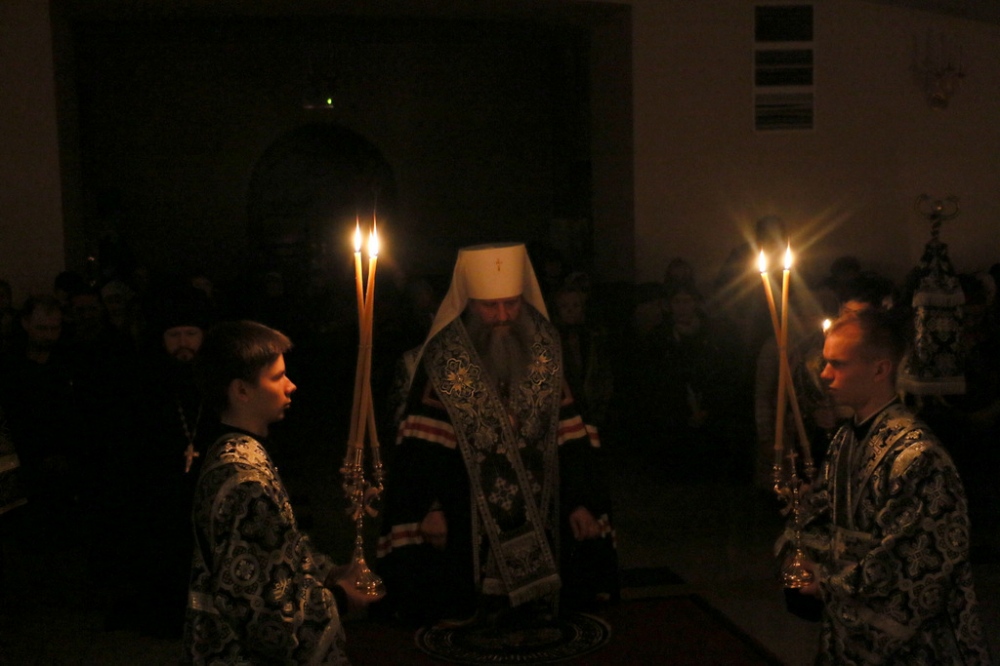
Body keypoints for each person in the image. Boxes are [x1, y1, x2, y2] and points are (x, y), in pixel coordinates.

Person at [376, 243, 616, 627]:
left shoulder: (547, 348)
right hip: (466, 514)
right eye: (490, 306)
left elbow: (572, 434)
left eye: (511, 304)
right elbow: (422, 447)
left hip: (545, 510)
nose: (502, 316)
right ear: (470, 303)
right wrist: (431, 508)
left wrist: (580, 502)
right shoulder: (445, 357)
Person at [780, 309, 992, 664]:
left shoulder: (918, 457)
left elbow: (912, 568)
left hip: (911, 648)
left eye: (838, 364)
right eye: (825, 362)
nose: (825, 374)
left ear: (880, 370)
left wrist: (828, 585)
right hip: (843, 635)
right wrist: (802, 559)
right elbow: (821, 515)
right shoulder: (844, 439)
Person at [183, 320, 378, 664]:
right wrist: (340, 598)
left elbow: (278, 552)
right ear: (241, 391)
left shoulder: (236, 451)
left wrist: (329, 571)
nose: (291, 386)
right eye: (277, 377)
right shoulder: (245, 479)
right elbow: (263, 612)